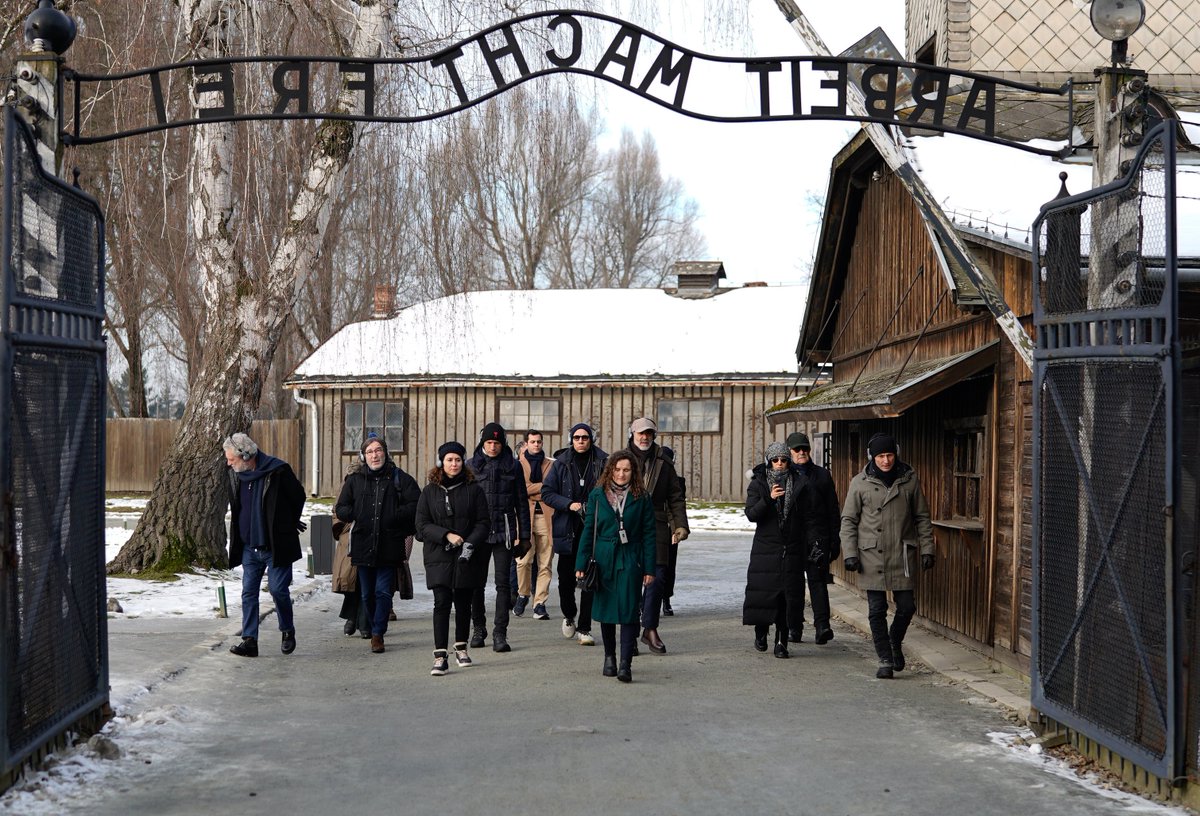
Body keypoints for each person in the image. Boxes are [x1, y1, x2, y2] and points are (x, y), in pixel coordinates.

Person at [840, 432, 935, 679]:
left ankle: (894, 642)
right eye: (881, 456)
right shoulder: (859, 482)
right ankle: (884, 658)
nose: (886, 461)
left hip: (901, 554)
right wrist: (850, 553)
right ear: (872, 456)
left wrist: (927, 549)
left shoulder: (909, 480)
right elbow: (849, 520)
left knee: (906, 606)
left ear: (896, 454)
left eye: (889, 455)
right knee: (876, 609)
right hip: (871, 554)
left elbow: (922, 517)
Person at [334, 433, 421, 654]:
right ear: (363, 456)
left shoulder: (399, 478)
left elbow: (416, 504)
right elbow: (341, 507)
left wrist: (395, 516)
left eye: (378, 450)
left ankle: (377, 634)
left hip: (389, 545)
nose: (375, 455)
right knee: (366, 595)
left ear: (386, 453)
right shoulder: (355, 480)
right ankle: (373, 625)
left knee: (383, 592)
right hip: (363, 545)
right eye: (370, 451)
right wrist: (357, 514)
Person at [223, 432, 306, 658]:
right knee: (248, 592)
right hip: (249, 546)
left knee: (278, 590)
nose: (228, 463)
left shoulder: (278, 471)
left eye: (232, 459)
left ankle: (287, 630)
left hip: (276, 545)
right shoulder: (236, 476)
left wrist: (288, 522)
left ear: (246, 455)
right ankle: (250, 640)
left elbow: (298, 496)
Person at [575, 451, 656, 683]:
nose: (621, 474)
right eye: (617, 469)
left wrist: (649, 568)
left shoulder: (642, 497)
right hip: (603, 560)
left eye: (626, 470)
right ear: (610, 470)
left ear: (633, 472)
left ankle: (625, 664)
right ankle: (609, 657)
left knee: (630, 612)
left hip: (631, 558)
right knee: (607, 612)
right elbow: (589, 530)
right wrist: (581, 563)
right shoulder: (597, 495)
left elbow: (650, 534)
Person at [416, 441, 491, 676]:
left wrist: (469, 542)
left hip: (467, 556)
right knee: (441, 603)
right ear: (441, 462)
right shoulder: (429, 491)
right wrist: (446, 535)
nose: (454, 464)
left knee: (463, 603)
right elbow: (421, 526)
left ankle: (461, 647)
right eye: (449, 460)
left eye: (458, 459)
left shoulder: (474, 489)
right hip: (438, 555)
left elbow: (483, 522)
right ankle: (440, 656)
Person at [743, 442, 818, 658]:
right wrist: (769, 498)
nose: (779, 464)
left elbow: (809, 517)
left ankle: (781, 641)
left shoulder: (800, 483)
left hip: (792, 548)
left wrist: (814, 542)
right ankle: (761, 631)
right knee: (764, 595)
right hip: (765, 548)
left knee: (788, 598)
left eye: (783, 460)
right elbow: (751, 514)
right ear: (769, 461)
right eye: (775, 460)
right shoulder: (758, 483)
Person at [624, 417, 688, 655]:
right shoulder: (619, 461)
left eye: (649, 433)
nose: (644, 437)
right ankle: (629, 634)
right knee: (629, 580)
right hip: (627, 526)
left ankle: (649, 628)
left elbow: (675, 496)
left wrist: (680, 525)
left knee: (658, 578)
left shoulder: (665, 462)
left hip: (657, 526)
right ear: (632, 434)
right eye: (640, 433)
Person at [541, 422, 608, 645]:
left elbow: (611, 490)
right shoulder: (561, 463)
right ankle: (569, 614)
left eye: (585, 437)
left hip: (593, 528)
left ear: (591, 439)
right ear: (571, 439)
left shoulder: (602, 461)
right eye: (577, 437)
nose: (581, 441)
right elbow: (547, 493)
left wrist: (595, 506)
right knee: (566, 579)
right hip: (567, 528)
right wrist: (569, 504)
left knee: (590, 577)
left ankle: (585, 627)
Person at [466, 423, 531, 652]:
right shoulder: (471, 466)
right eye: (489, 443)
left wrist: (524, 536)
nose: (493, 447)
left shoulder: (512, 466)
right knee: (476, 584)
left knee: (503, 585)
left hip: (504, 532)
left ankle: (500, 633)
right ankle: (478, 627)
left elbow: (522, 502)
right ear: (482, 443)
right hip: (478, 532)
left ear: (503, 444)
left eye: (496, 443)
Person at [787, 431, 841, 645]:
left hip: (817, 536)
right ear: (790, 451)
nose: (802, 452)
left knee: (818, 583)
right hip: (793, 538)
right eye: (797, 449)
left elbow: (832, 510)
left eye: (805, 449)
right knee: (794, 585)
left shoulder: (822, 475)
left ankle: (822, 626)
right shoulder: (785, 475)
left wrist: (834, 540)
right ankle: (794, 627)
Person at [515, 429, 555, 620]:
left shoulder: (551, 465)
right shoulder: (518, 465)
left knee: (545, 563)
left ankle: (539, 603)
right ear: (526, 443)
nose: (536, 445)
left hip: (547, 517)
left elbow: (552, 488)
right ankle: (523, 594)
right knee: (523, 561)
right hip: (524, 517)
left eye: (539, 441)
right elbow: (520, 490)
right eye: (532, 442)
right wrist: (542, 487)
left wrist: (532, 489)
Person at [659, 446, 685, 617]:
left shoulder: (678, 481)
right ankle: (641, 601)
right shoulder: (646, 477)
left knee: (669, 565)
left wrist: (677, 529)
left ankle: (666, 599)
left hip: (670, 528)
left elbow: (677, 506)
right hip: (651, 525)